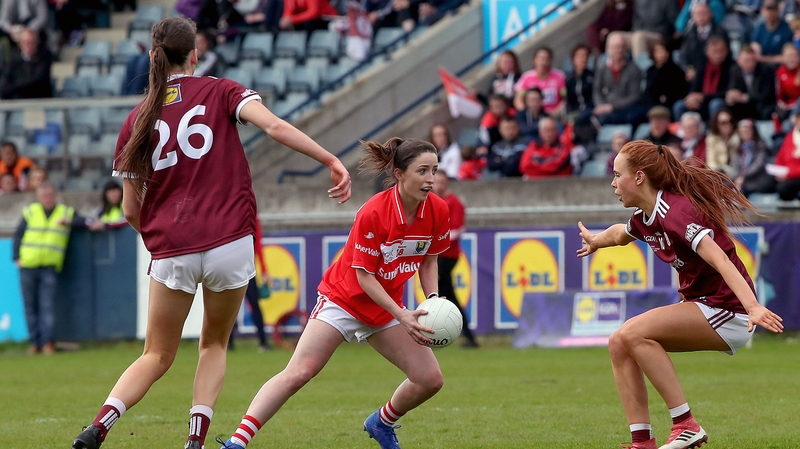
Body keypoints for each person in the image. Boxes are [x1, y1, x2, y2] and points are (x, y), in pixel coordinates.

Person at [71, 17, 351, 449]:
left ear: (153, 58)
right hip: (230, 242)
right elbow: (274, 126)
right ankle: (195, 442)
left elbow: (130, 209)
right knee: (213, 345)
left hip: (172, 250)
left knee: (156, 355)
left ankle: (98, 427)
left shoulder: (136, 119)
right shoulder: (221, 90)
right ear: (195, 54)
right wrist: (330, 158)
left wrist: (165, 235)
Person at [217, 138, 450, 449]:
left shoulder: (438, 209)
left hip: (385, 307)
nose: (431, 179)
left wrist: (432, 301)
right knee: (299, 372)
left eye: (434, 170)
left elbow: (429, 260)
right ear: (399, 174)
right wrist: (402, 315)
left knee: (430, 379)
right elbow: (363, 277)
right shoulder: (374, 212)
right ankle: (236, 442)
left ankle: (381, 422)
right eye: (422, 171)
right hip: (344, 301)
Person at [577, 140, 784, 449]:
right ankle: (642, 441)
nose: (613, 182)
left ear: (639, 177)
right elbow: (620, 234)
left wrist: (753, 306)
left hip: (728, 310)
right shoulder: (645, 217)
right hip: (705, 306)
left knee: (634, 333)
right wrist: (596, 240)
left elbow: (720, 259)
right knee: (618, 343)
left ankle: (686, 425)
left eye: (618, 174)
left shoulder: (676, 212)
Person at [13, 182, 103, 356]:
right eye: (44, 195)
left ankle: (47, 342)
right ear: (38, 197)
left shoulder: (65, 212)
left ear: (55, 196)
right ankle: (34, 343)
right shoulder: (30, 212)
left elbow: (83, 221)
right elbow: (19, 235)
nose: (47, 198)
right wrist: (17, 258)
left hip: (49, 266)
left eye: (50, 195)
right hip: (28, 265)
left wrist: (91, 224)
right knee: (30, 306)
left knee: (47, 306)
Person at [432, 170, 478, 348]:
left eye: (442, 182)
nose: (439, 185)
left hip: (447, 255)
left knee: (439, 295)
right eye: (437, 182)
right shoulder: (430, 202)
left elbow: (458, 229)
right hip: (436, 256)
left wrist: (436, 240)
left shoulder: (454, 202)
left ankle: (440, 332)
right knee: (448, 296)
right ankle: (467, 335)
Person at [583, 33, 648, 127]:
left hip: (625, 108)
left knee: (634, 115)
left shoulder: (634, 69)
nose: (620, 50)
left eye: (622, 47)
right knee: (584, 118)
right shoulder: (602, 68)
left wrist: (612, 107)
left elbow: (634, 96)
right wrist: (601, 106)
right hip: (605, 107)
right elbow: (596, 90)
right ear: (610, 48)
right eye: (617, 47)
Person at [229, 217, 271, 352]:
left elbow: (257, 243)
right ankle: (227, 343)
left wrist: (264, 270)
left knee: (252, 304)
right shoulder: (235, 214)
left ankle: (263, 342)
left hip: (246, 269)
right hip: (234, 268)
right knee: (229, 307)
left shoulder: (250, 216)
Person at [673, 36, 732, 121]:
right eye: (715, 52)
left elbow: (727, 92)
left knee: (715, 104)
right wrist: (692, 98)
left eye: (721, 51)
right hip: (701, 102)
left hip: (720, 102)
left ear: (726, 51)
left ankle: (714, 131)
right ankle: (682, 132)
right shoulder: (702, 66)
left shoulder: (731, 67)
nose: (718, 55)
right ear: (707, 52)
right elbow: (694, 87)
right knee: (679, 106)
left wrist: (703, 97)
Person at [606, 0, 678, 58]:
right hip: (639, 33)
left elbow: (674, 22)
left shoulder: (668, 1)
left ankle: (643, 72)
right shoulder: (639, 1)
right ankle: (608, 71)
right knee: (614, 36)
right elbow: (635, 22)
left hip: (660, 35)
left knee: (639, 37)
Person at [678, 2, 728, 81]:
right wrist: (688, 68)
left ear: (710, 14)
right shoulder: (690, 33)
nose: (701, 17)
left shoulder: (720, 32)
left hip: (715, 73)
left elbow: (727, 56)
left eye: (703, 13)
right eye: (698, 14)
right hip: (694, 74)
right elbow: (683, 55)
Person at [725, 44, 776, 121]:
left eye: (752, 60)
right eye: (746, 60)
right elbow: (732, 88)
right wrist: (731, 95)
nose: (749, 63)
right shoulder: (734, 70)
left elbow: (766, 94)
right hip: (743, 106)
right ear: (739, 61)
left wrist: (746, 98)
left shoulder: (765, 70)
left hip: (761, 105)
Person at [0, 28, 53, 99]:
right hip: (16, 99)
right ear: (20, 44)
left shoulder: (44, 56)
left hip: (38, 98)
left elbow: (38, 79)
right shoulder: (13, 58)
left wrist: (14, 86)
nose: (29, 46)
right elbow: (6, 78)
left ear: (37, 42)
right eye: (26, 42)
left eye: (32, 42)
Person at [513, 47, 567, 115]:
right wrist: (528, 114)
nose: (543, 62)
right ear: (534, 60)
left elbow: (565, 98)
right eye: (540, 58)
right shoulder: (526, 78)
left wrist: (556, 112)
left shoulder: (559, 76)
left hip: (555, 115)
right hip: (533, 117)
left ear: (550, 61)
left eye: (547, 59)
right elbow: (519, 100)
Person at [731, 119, 776, 197]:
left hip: (757, 179)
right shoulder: (738, 147)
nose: (744, 134)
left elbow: (758, 165)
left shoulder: (760, 146)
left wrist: (743, 177)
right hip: (740, 179)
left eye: (746, 131)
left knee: (743, 190)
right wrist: (738, 177)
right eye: (742, 132)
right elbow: (735, 164)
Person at [644, 41, 687, 110]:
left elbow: (679, 91)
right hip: (651, 103)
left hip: (668, 104)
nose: (661, 54)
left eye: (663, 51)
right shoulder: (650, 70)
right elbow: (648, 90)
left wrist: (665, 97)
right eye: (658, 51)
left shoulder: (675, 70)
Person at [751, 0, 793, 65]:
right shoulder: (759, 28)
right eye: (767, 9)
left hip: (781, 66)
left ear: (778, 10)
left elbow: (787, 57)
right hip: (762, 67)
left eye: (773, 9)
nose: (770, 13)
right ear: (762, 11)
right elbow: (755, 53)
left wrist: (764, 58)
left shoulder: (786, 29)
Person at [773, 109, 800, 200]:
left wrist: (788, 174)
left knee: (783, 187)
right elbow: (780, 157)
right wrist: (778, 171)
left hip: (794, 175)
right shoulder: (789, 136)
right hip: (788, 175)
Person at [704, 107, 739, 177]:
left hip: (738, 174)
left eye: (730, 121)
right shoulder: (712, 139)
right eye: (723, 123)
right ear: (717, 125)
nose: (728, 125)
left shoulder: (738, 136)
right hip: (719, 175)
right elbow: (711, 162)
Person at [565, 44, 594, 119]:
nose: (583, 59)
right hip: (575, 112)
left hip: (591, 111)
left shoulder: (593, 76)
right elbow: (569, 100)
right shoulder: (569, 79)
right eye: (580, 56)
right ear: (573, 59)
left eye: (586, 56)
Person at [775, 42, 800, 121]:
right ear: (783, 57)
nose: (792, 59)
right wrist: (782, 104)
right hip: (787, 108)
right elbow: (779, 93)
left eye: (794, 56)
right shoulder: (780, 72)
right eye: (789, 56)